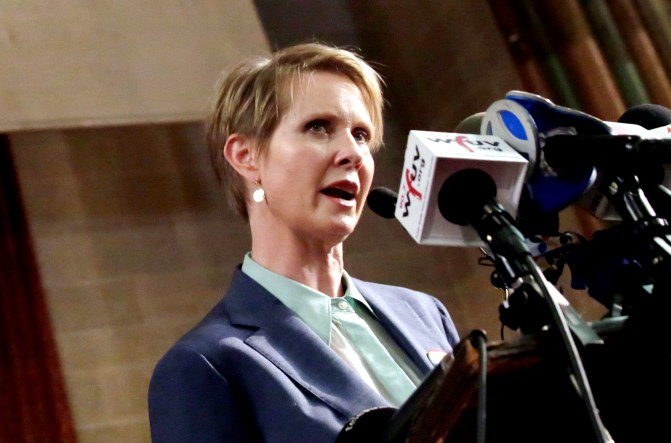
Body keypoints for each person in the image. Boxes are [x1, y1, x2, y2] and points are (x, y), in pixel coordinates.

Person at [147, 42, 460, 443]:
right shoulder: (207, 364)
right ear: (247, 156)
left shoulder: (425, 314)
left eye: (362, 135)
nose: (353, 153)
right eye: (318, 127)